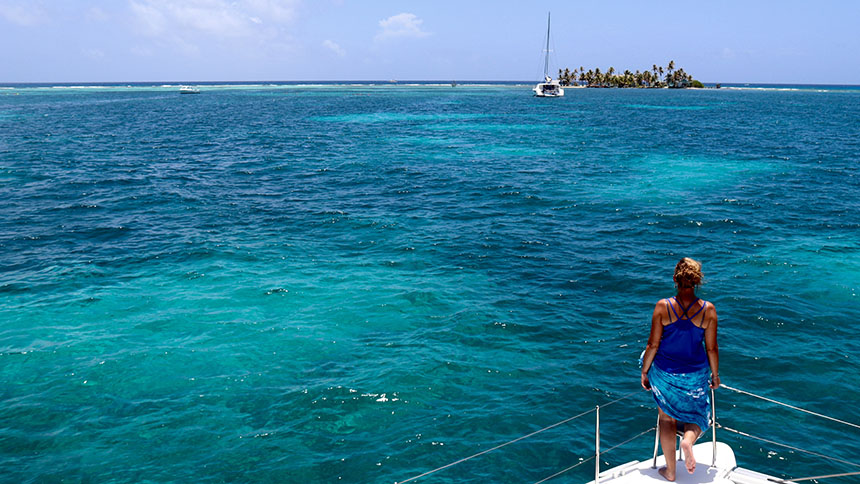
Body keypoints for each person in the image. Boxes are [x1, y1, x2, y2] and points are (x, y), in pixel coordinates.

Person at [640, 258, 720, 481]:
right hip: (695, 374)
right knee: (698, 414)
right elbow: (712, 348)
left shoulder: (663, 306)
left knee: (666, 420)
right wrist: (715, 375)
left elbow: (652, 345)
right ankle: (687, 441)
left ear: (675, 279)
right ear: (697, 281)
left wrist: (645, 372)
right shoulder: (708, 310)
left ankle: (671, 471)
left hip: (665, 372)